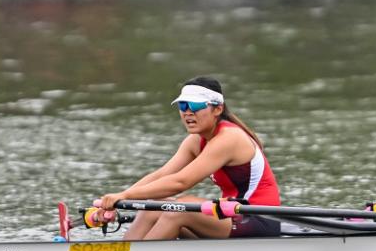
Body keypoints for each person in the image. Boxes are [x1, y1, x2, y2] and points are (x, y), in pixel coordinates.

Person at [97, 77, 282, 240]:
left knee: (180, 209)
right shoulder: (196, 141)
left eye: (195, 106)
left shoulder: (229, 138)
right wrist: (116, 200)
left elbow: (180, 182)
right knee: (152, 207)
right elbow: (163, 174)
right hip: (231, 214)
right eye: (182, 106)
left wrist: (126, 196)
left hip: (259, 217)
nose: (187, 112)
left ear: (217, 109)